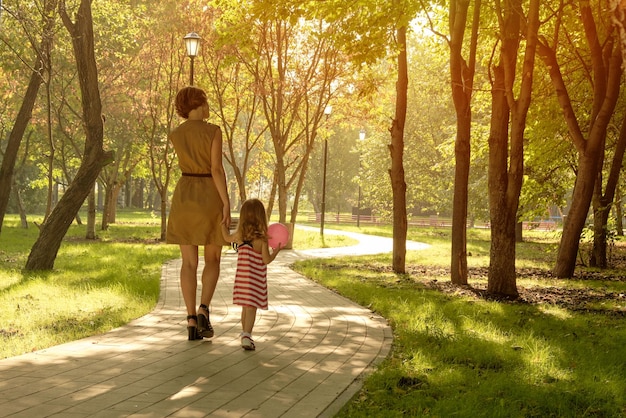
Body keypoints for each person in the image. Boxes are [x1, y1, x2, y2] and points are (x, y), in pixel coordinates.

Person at [166, 86, 231, 341]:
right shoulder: (213, 130)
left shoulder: (176, 134)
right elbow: (216, 169)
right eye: (206, 102)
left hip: (184, 196)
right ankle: (204, 308)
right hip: (209, 196)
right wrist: (226, 202)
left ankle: (191, 319)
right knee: (212, 259)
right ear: (200, 104)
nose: (208, 107)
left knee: (188, 263)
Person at [221, 199, 283, 350]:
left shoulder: (239, 236)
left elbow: (226, 238)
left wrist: (222, 224)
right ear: (261, 217)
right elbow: (266, 260)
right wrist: (275, 253)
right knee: (251, 308)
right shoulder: (261, 240)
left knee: (245, 308)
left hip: (241, 281)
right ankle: (247, 335)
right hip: (255, 281)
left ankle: (244, 334)